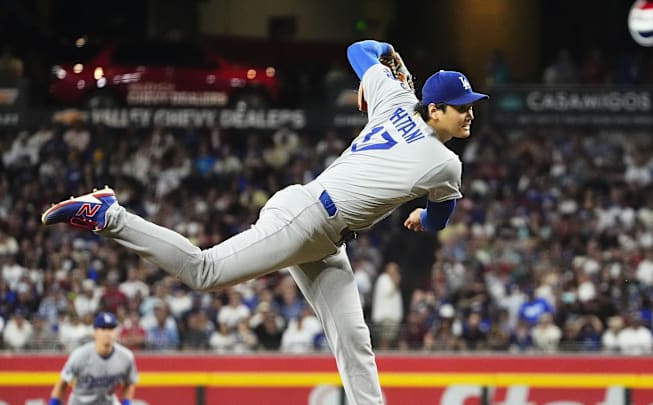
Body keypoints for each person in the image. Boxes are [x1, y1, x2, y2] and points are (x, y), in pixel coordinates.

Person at [41, 39, 488, 404]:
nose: (469, 112)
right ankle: (108, 215)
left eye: (470, 104)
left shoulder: (394, 98)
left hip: (326, 239)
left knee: (354, 340)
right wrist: (423, 218)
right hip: (305, 218)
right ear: (434, 110)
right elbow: (439, 216)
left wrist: (389, 52)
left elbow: (358, 50)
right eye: (460, 105)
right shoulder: (444, 162)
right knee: (204, 271)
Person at [48, 312, 138, 405]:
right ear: (95, 332)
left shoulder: (126, 356)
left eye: (111, 329)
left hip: (108, 402)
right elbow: (62, 384)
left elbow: (129, 383)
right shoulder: (80, 355)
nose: (107, 333)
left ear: (116, 331)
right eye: (103, 329)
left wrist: (126, 403)